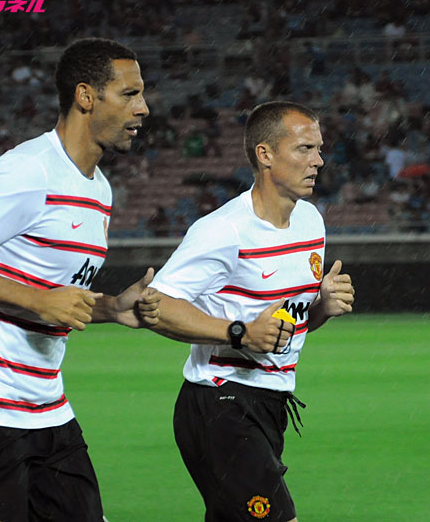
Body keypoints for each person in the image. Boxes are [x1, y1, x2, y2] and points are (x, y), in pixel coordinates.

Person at [0, 38, 159, 522]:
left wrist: (112, 308)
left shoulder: (99, 190)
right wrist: (37, 301)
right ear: (86, 96)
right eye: (130, 94)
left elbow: (59, 297)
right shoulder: (28, 170)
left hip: (48, 407)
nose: (144, 108)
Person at [147, 101, 355, 522]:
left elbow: (281, 329)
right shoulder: (223, 230)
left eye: (319, 149)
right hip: (220, 403)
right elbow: (156, 305)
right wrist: (239, 333)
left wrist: (321, 310)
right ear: (265, 154)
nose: (318, 161)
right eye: (304, 149)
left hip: (269, 403)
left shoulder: (310, 221)